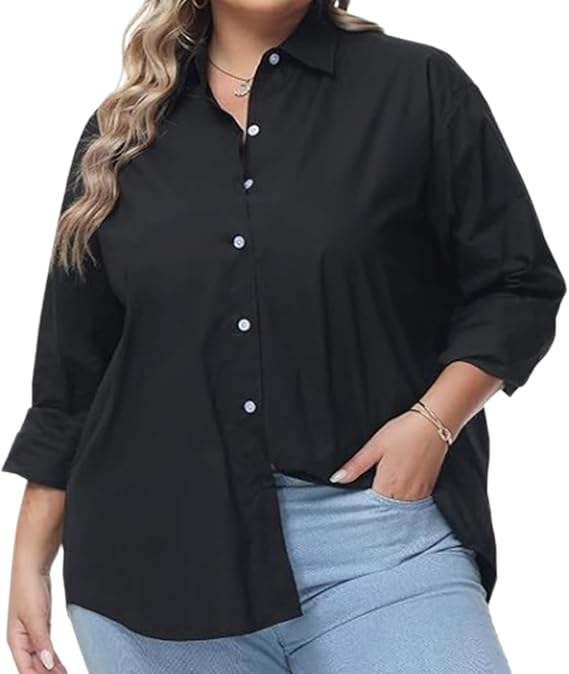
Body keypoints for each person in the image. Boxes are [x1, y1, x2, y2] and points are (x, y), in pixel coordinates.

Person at [5, 1, 565, 672]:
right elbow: (73, 376)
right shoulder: (119, 133)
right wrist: (30, 560)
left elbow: (516, 283)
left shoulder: (415, 86)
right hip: (152, 562)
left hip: (378, 539)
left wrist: (433, 422)